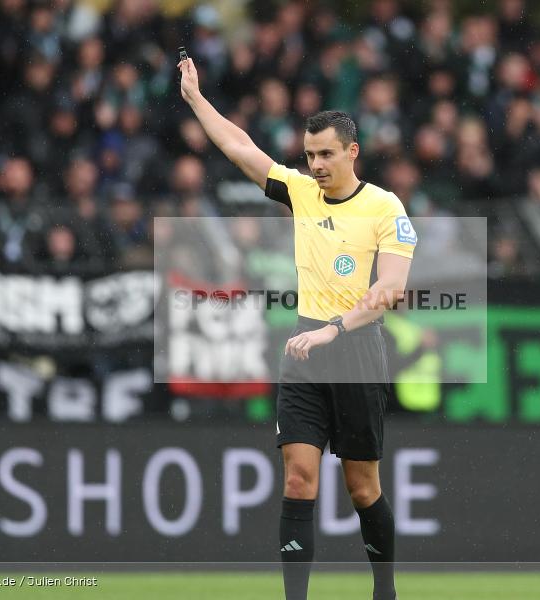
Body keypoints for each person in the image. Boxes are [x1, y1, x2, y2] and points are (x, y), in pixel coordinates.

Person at [178, 56, 417, 600]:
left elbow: (391, 292)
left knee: (362, 489)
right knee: (297, 481)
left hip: (355, 350)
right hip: (307, 349)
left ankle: (385, 591)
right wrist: (195, 100)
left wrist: (334, 328)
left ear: (352, 152)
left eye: (326, 154)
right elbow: (240, 148)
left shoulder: (384, 207)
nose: (316, 166)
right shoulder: (302, 193)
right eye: (309, 155)